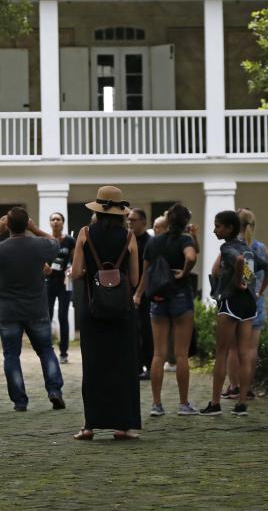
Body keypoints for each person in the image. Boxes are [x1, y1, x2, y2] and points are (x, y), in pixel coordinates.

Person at [0, 207, 65, 412]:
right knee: (46, 350)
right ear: (27, 224)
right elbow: (55, 243)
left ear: (8, 225)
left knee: (11, 355)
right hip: (36, 308)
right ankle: (55, 391)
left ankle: (20, 401)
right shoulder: (39, 245)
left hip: (9, 310)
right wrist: (36, 229)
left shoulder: (0, 248)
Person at [70, 186, 141, 440]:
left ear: (98, 211)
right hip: (122, 310)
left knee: (93, 366)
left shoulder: (85, 233)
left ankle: (89, 426)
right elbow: (134, 278)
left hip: (93, 308)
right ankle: (123, 426)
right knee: (123, 365)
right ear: (121, 211)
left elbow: (77, 272)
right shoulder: (129, 236)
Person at [200, 210, 266, 417]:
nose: (214, 230)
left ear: (229, 228)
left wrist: (237, 283)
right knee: (245, 354)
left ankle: (215, 403)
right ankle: (242, 404)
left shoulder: (227, 247)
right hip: (248, 304)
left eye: (218, 226)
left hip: (230, 302)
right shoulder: (248, 248)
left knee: (222, 352)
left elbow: (237, 263)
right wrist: (256, 291)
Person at [134, 204, 198, 416]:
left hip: (158, 298)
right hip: (180, 296)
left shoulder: (154, 242)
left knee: (158, 354)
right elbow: (191, 257)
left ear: (168, 221)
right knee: (181, 355)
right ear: (186, 221)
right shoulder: (185, 240)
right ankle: (183, 404)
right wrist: (184, 273)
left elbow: (146, 273)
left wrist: (139, 294)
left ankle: (157, 404)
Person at [223, 208, 268, 400]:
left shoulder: (232, 247)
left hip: (236, 302)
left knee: (233, 348)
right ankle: (248, 387)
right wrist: (260, 291)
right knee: (252, 349)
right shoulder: (261, 247)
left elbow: (215, 271)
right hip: (256, 302)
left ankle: (234, 386)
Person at [44, 212, 75, 363]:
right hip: (49, 282)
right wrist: (45, 267)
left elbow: (75, 260)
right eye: (53, 219)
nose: (55, 221)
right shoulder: (46, 240)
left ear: (63, 222)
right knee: (47, 316)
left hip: (65, 283)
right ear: (50, 223)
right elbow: (40, 258)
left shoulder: (69, 240)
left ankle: (64, 353)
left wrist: (70, 270)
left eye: (58, 219)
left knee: (63, 316)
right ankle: (47, 349)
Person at [127, 208, 153, 379]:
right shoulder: (128, 239)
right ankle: (135, 367)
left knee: (146, 331)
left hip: (145, 293)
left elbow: (148, 270)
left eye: (133, 220)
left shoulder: (149, 242)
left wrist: (138, 293)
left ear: (143, 222)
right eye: (128, 220)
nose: (129, 223)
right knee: (132, 331)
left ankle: (149, 367)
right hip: (129, 291)